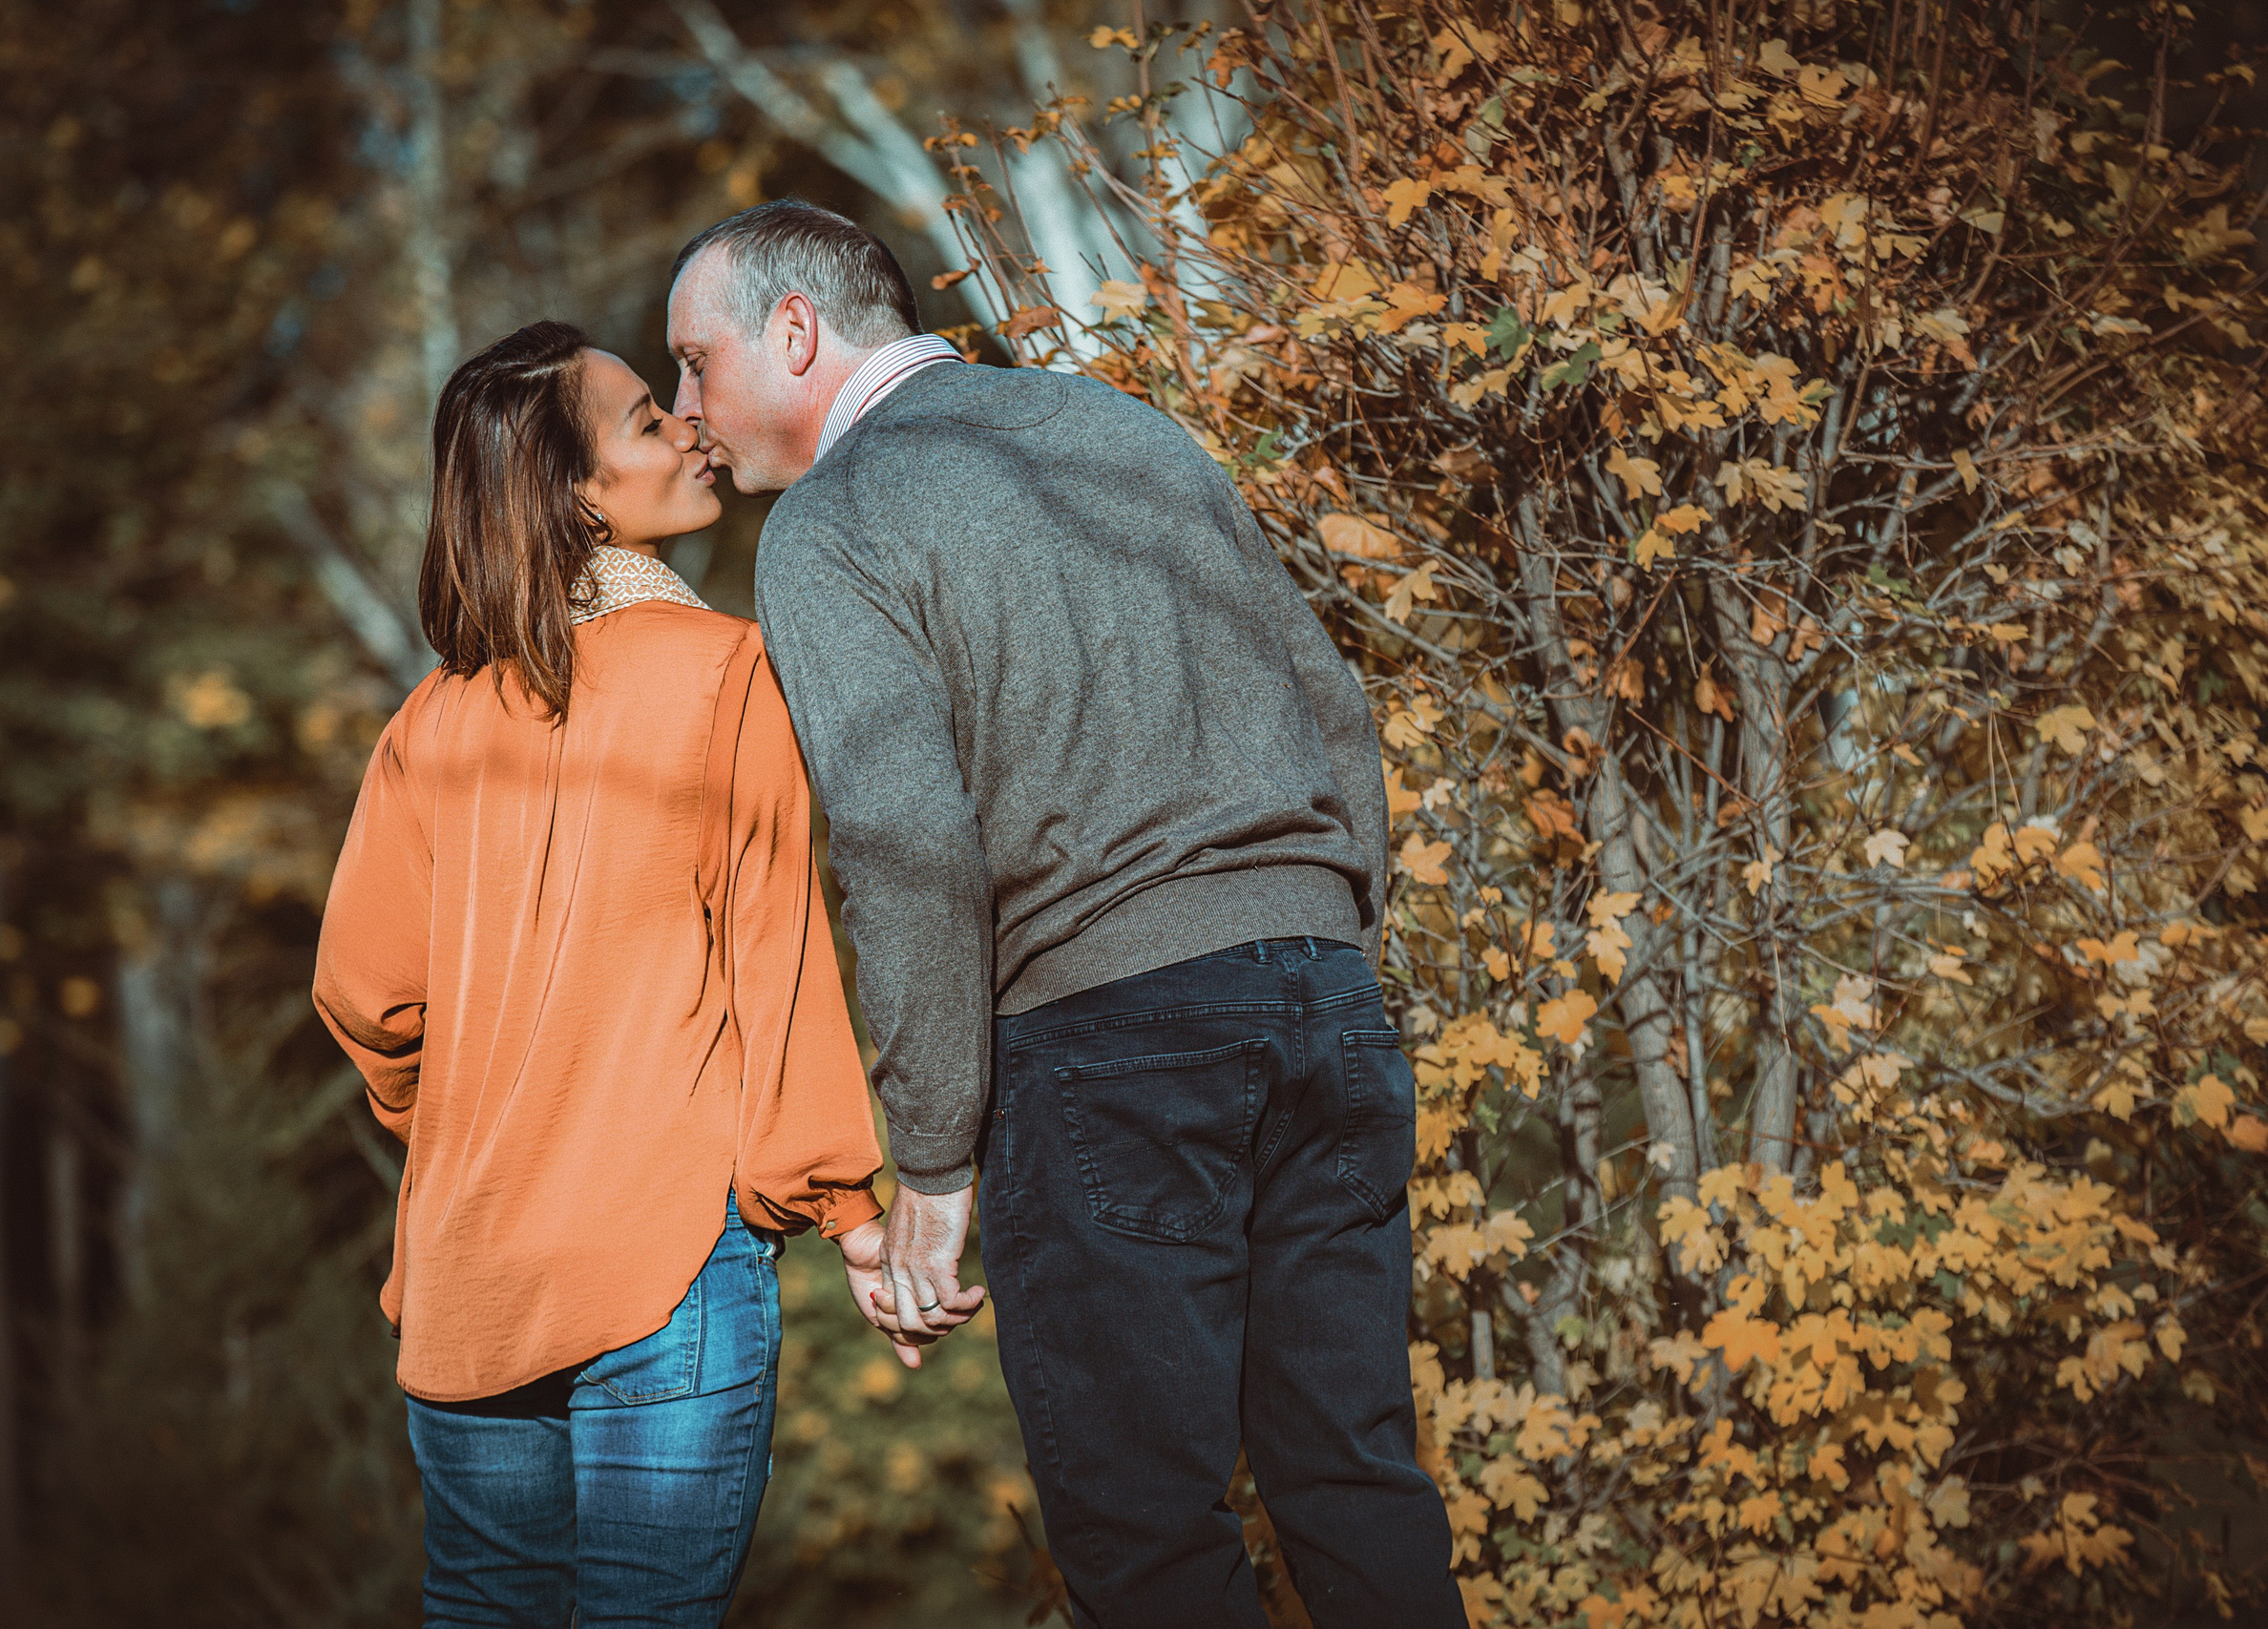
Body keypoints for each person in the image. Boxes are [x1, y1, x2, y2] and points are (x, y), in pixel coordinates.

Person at [665, 200, 1466, 1629]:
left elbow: (907, 847)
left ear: (794, 332)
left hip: (1110, 1042)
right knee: (1352, 1482)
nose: (686, 412)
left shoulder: (831, 523)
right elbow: (1333, 709)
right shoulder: (1121, 428)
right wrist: (1328, 946)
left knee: (1145, 1541)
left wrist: (930, 1163)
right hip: (1323, 1004)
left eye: (693, 364)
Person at [313, 320, 898, 1626]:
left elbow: (367, 997)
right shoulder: (724, 671)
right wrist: (850, 1213)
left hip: (470, 1270)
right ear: (578, 494)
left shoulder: (432, 720)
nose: (691, 426)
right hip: (664, 1264)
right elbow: (778, 959)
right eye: (647, 419)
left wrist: (459, 1121)